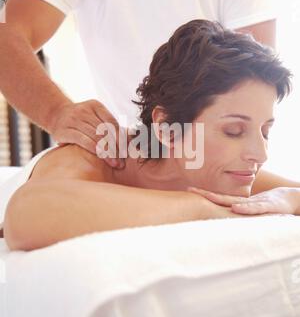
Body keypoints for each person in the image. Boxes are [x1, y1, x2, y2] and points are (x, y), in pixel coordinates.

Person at [2, 19, 300, 252]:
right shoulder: (95, 156)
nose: (260, 154)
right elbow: (23, 216)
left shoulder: (221, 169)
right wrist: (201, 210)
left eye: (266, 131)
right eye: (233, 131)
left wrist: (287, 198)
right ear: (166, 126)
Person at [0, 0, 277, 169]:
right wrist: (56, 112)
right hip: (122, 153)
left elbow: (258, 77)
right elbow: (6, 39)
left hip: (207, 153)